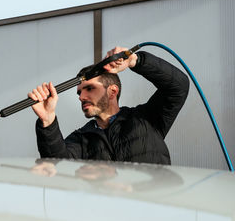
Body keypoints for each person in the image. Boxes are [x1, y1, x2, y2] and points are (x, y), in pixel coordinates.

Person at [28, 46, 189, 165]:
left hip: (154, 209)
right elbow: (57, 165)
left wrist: (135, 61)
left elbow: (178, 86)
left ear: (112, 92)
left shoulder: (146, 119)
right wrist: (47, 120)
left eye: (90, 88)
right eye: (79, 93)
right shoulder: (82, 138)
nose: (82, 97)